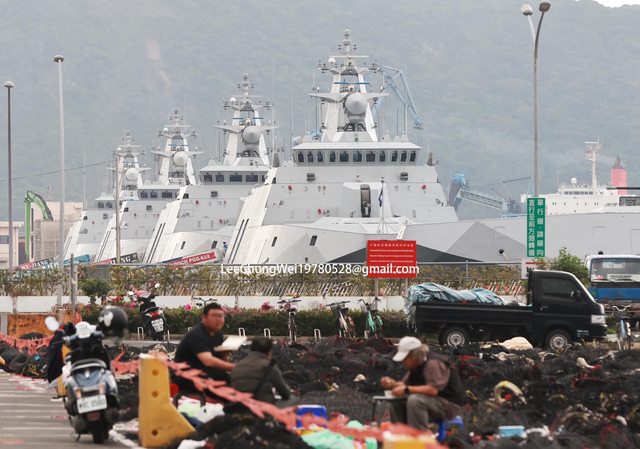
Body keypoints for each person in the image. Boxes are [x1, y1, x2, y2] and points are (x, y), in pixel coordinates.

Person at [380, 336, 464, 430]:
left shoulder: (433, 363)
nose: (403, 362)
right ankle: (400, 433)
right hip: (431, 401)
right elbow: (405, 385)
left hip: (449, 405)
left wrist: (406, 389)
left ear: (414, 355)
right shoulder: (416, 365)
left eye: (405, 359)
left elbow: (433, 390)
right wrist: (393, 384)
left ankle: (418, 435)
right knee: (396, 402)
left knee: (415, 401)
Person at [174, 302, 235, 394]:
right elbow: (208, 361)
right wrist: (234, 367)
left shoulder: (218, 335)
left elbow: (221, 362)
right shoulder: (197, 334)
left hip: (207, 374)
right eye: (213, 316)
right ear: (204, 318)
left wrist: (224, 354)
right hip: (187, 377)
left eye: (220, 316)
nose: (218, 319)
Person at [230, 337, 294, 406]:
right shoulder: (268, 366)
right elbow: (285, 393)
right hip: (262, 407)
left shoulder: (238, 365)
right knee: (293, 399)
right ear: (269, 351)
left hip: (239, 406)